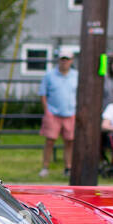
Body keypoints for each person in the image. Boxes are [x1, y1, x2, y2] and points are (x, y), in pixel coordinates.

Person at [38, 47, 76, 177]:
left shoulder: (76, 75)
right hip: (53, 113)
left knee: (69, 141)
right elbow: (43, 94)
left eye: (67, 59)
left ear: (71, 60)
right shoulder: (49, 75)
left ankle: (68, 167)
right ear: (58, 60)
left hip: (71, 113)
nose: (64, 62)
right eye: (62, 59)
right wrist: (47, 110)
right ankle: (45, 167)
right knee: (49, 141)